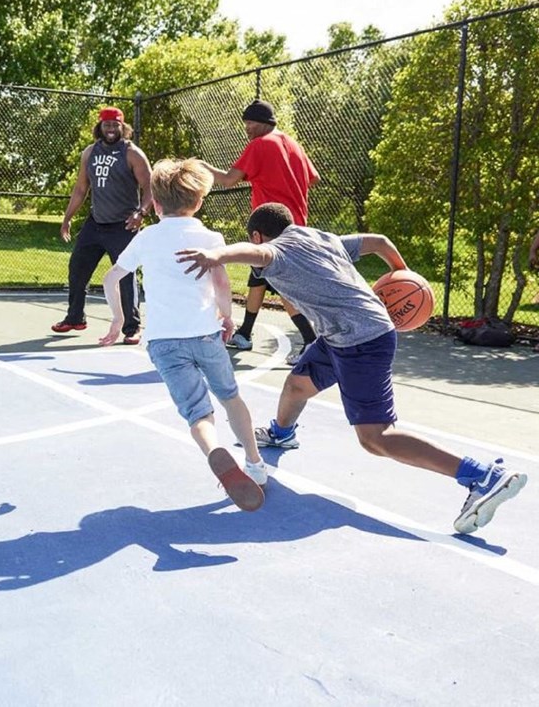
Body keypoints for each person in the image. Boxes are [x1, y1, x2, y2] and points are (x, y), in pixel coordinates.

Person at [176, 202, 528, 533]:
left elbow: (259, 254)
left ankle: (481, 476)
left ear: (257, 234)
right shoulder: (322, 238)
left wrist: (215, 256)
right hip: (341, 335)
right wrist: (401, 273)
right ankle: (282, 434)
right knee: (298, 384)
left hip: (361, 341)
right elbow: (379, 241)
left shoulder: (277, 252)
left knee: (376, 439)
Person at [98, 158, 267, 510]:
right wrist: (227, 316)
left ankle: (214, 450)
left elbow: (112, 278)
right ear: (200, 200)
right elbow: (220, 281)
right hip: (206, 335)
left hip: (163, 342)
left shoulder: (147, 236)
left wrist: (118, 319)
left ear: (155, 204)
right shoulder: (210, 237)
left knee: (197, 413)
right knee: (231, 396)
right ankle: (255, 464)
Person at [201, 100, 319, 364]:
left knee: (281, 282)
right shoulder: (293, 144)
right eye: (246, 125)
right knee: (259, 277)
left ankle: (311, 341)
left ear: (265, 123)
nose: (248, 130)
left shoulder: (260, 144)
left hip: (271, 226)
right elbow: (314, 178)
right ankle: (244, 333)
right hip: (295, 222)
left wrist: (203, 167)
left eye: (251, 124)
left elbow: (228, 179)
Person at [53, 106, 153, 345]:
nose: (110, 128)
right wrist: (67, 218)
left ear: (122, 127)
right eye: (106, 124)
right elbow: (80, 189)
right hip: (95, 223)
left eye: (115, 124)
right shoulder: (90, 152)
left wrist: (141, 213)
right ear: (100, 127)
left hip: (124, 225)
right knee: (77, 268)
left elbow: (150, 188)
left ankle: (132, 327)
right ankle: (75, 317)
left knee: (125, 276)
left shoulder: (132, 153)